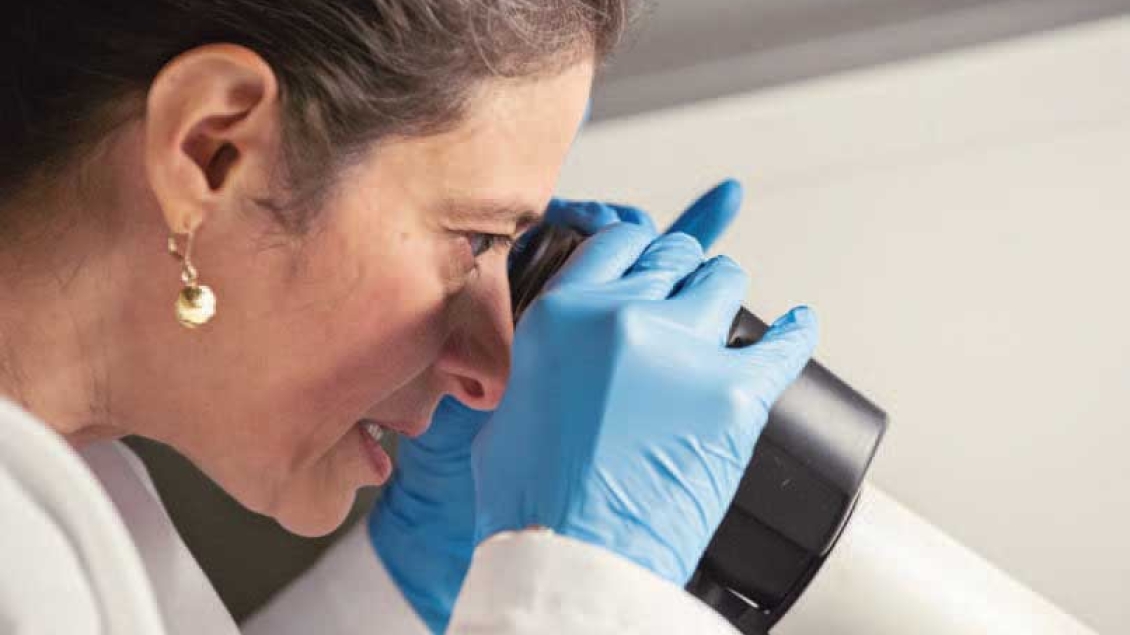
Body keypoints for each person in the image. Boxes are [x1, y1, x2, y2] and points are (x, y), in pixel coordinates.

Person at [0, 2, 818, 633]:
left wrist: (415, 587)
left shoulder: (67, 486)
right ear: (211, 150)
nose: (497, 372)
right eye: (475, 237)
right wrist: (589, 592)